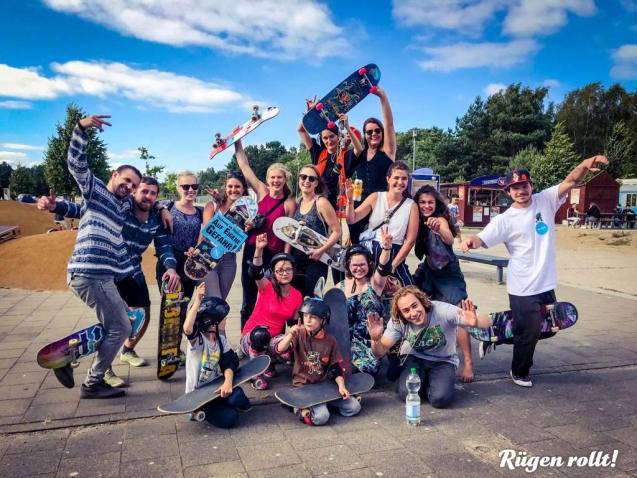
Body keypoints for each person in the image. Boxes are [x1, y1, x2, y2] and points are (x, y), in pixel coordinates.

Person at [460, 158, 609, 387]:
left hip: (546, 283)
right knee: (529, 333)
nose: (521, 190)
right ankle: (519, 371)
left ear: (532, 186)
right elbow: (482, 237)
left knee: (548, 329)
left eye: (524, 185)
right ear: (509, 191)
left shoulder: (545, 200)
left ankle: (498, 335)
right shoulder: (505, 220)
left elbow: (571, 180)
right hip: (523, 286)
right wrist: (470, 241)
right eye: (515, 187)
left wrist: (585, 164)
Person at [39, 179, 180, 385]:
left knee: (142, 316)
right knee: (115, 324)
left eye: (153, 194)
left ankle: (128, 350)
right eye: (144, 191)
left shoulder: (157, 219)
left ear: (156, 197)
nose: (148, 196)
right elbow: (87, 210)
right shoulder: (121, 208)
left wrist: (170, 267)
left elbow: (164, 246)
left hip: (134, 273)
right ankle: (106, 369)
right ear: (134, 193)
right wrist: (56, 206)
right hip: (110, 272)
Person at [64, 115, 141, 399]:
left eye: (134, 186)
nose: (130, 188)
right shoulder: (95, 190)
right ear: (114, 175)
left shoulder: (121, 206)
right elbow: (77, 165)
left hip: (102, 275)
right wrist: (81, 129)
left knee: (120, 321)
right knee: (121, 327)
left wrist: (165, 207)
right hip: (89, 273)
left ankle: (71, 358)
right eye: (127, 181)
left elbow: (147, 201)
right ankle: (92, 383)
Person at [366, 286, 491, 408]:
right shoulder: (398, 321)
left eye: (415, 306)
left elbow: (488, 321)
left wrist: (477, 322)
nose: (413, 313)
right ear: (401, 313)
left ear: (423, 302)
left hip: (443, 359)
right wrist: (375, 339)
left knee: (440, 400)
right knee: (408, 394)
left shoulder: (443, 311)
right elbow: (379, 352)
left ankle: (430, 382)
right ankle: (418, 380)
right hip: (414, 357)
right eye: (406, 310)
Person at [412, 185, 475, 383]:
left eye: (430, 202)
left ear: (436, 203)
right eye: (422, 202)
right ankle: (425, 353)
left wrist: (439, 229)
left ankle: (468, 364)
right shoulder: (417, 221)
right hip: (429, 272)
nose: (426, 205)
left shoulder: (439, 220)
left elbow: (449, 237)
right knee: (421, 310)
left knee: (459, 312)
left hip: (448, 274)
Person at [234, 140, 296, 330]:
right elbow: (244, 165)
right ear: (267, 179)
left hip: (275, 256)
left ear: (285, 180)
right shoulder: (261, 192)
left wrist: (285, 259)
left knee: (276, 299)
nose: (276, 181)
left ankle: (277, 340)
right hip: (253, 252)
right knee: (249, 298)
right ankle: (245, 339)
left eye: (279, 177)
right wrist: (238, 139)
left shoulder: (289, 204)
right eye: (272, 177)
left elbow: (289, 235)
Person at [275, 298, 361, 425]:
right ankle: (298, 407)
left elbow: (336, 367)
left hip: (323, 387)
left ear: (323, 320)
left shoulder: (330, 340)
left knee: (354, 407)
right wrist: (290, 335)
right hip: (303, 388)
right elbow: (279, 349)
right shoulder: (299, 334)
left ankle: (322, 405)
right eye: (305, 316)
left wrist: (341, 387)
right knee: (321, 418)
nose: (308, 320)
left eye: (313, 317)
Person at [183, 283, 251, 428]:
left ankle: (225, 405)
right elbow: (188, 328)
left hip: (215, 387)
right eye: (224, 318)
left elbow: (229, 362)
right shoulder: (198, 342)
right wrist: (197, 301)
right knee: (231, 418)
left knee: (237, 395)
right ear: (213, 323)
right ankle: (199, 409)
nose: (226, 320)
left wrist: (227, 382)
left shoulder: (221, 340)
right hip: (198, 394)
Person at [239, 235, 302, 389]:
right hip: (252, 338)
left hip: (274, 340)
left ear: (293, 271)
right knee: (261, 335)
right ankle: (256, 372)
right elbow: (256, 272)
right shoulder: (266, 287)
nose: (284, 273)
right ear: (274, 273)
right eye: (280, 270)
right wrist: (259, 249)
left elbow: (295, 320)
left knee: (294, 342)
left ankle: (271, 362)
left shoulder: (296, 295)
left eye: (288, 269)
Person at [345, 161, 419, 287]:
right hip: (371, 253)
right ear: (388, 179)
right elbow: (352, 219)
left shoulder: (411, 205)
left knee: (410, 292)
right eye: (396, 178)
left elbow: (410, 240)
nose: (400, 182)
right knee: (365, 294)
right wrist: (350, 200)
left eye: (404, 178)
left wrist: (393, 265)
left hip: (394, 254)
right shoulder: (376, 197)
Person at [339, 226, 393, 375]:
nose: (359, 268)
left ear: (368, 265)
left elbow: (382, 267)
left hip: (370, 340)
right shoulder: (340, 287)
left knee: (368, 370)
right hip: (346, 341)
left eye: (362, 264)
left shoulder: (375, 283)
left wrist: (386, 249)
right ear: (348, 266)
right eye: (354, 265)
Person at [347, 87, 396, 244]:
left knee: (378, 243)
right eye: (369, 132)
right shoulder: (360, 154)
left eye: (377, 130)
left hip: (381, 204)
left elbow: (389, 124)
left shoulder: (387, 152)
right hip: (360, 203)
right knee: (356, 243)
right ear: (365, 135)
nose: (373, 134)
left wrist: (382, 96)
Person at [288, 164, 342, 298]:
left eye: (311, 179)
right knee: (295, 301)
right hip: (296, 260)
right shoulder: (296, 202)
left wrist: (321, 250)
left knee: (313, 302)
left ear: (316, 183)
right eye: (303, 177)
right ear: (298, 179)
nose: (307, 181)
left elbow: (337, 231)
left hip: (317, 260)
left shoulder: (321, 202)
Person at [198, 171, 250, 301]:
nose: (233, 190)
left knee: (219, 304)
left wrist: (249, 228)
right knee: (213, 300)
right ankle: (192, 320)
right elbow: (207, 231)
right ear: (225, 188)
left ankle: (197, 320)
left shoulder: (248, 212)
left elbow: (241, 238)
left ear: (243, 189)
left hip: (229, 261)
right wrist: (219, 204)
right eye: (230, 186)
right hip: (207, 256)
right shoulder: (213, 205)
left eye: (237, 186)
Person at [297, 110, 363, 211]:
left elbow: (358, 150)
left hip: (337, 207)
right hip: (315, 202)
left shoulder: (346, 156)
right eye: (325, 138)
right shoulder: (318, 152)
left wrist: (347, 127)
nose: (329, 141)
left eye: (332, 136)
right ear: (322, 139)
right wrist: (310, 113)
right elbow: (300, 130)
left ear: (338, 136)